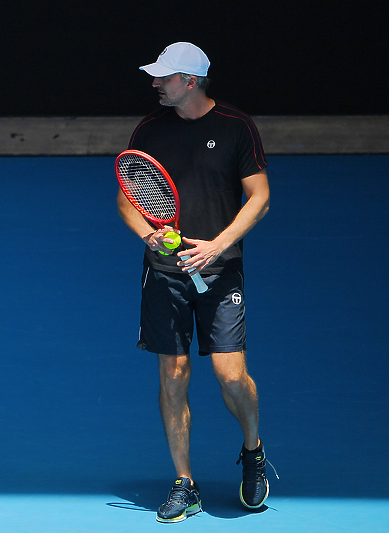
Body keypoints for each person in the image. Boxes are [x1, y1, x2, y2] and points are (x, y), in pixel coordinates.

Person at [116, 42, 271, 523]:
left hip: (221, 271)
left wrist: (217, 245)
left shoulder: (236, 127)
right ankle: (185, 482)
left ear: (191, 81)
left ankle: (253, 450)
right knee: (173, 375)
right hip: (167, 274)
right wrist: (149, 237)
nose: (155, 83)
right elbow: (128, 200)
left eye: (164, 76)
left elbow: (260, 197)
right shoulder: (148, 130)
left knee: (230, 376)